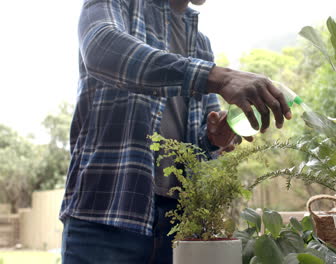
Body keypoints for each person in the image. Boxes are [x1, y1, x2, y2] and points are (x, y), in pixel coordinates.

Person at [60, 0, 292, 263]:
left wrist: (216, 136)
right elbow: (102, 49)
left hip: (179, 226)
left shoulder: (200, 43)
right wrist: (220, 77)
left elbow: (203, 136)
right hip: (107, 213)